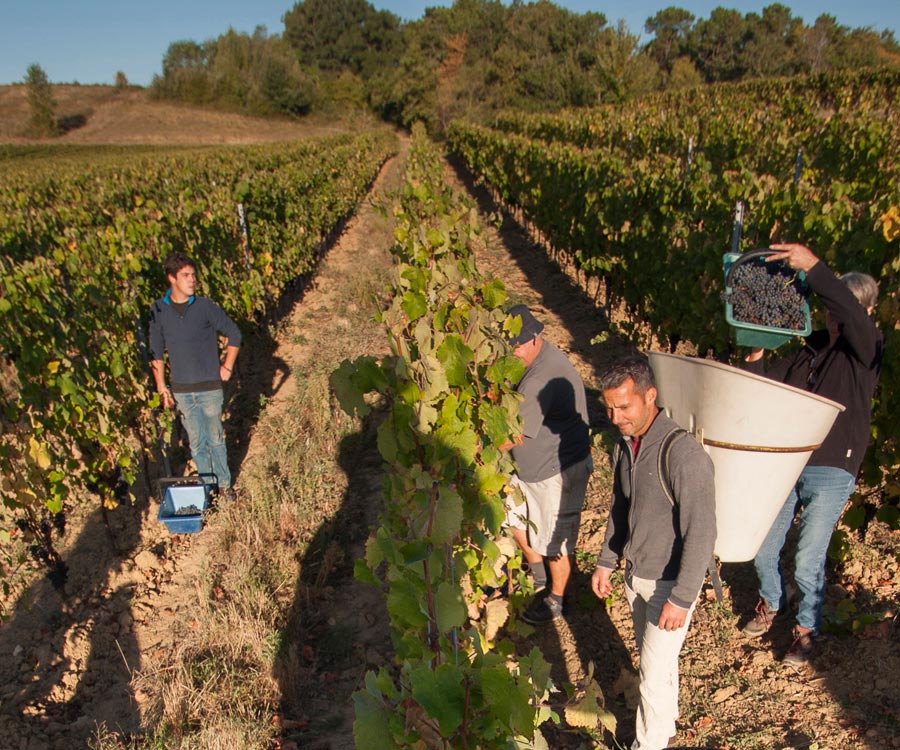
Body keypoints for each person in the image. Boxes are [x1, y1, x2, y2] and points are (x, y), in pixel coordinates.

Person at [740, 243, 882, 665]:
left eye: (846, 307)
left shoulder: (866, 351)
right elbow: (771, 393)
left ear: (865, 312)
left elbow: (852, 316)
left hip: (834, 466)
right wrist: (755, 358)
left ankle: (805, 630)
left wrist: (816, 270)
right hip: (790, 461)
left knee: (807, 555)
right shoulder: (811, 348)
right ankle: (770, 602)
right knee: (764, 546)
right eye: (830, 307)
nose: (834, 314)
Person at [592, 355, 716, 750]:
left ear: (650, 396)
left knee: (651, 671)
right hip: (636, 575)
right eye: (609, 408)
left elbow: (702, 532)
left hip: (670, 583)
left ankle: (649, 744)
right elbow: (620, 507)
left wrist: (681, 598)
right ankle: (667, 727)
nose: (615, 417)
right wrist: (607, 560)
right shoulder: (625, 445)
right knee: (658, 666)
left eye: (624, 406)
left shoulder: (683, 454)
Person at [503, 305, 593, 625]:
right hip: (530, 469)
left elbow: (512, 435)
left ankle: (556, 599)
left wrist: (474, 452)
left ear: (535, 339)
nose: (511, 350)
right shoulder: (526, 362)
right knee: (515, 521)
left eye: (516, 344)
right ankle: (541, 581)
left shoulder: (540, 377)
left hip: (557, 470)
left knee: (555, 540)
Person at [148, 252, 241, 499]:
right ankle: (208, 487)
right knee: (197, 443)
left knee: (215, 440)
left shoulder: (205, 307)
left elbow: (234, 333)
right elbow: (155, 351)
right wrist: (161, 386)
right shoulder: (158, 310)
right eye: (186, 276)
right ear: (172, 278)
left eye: (193, 275)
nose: (192, 280)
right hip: (182, 391)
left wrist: (227, 366)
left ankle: (224, 486)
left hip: (210, 387)